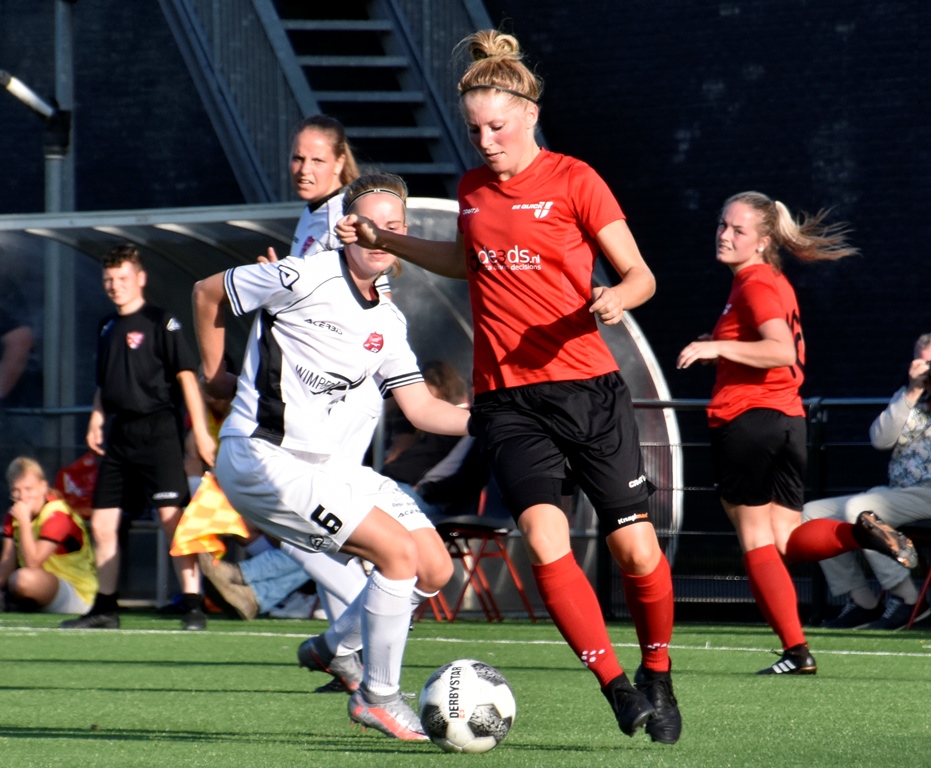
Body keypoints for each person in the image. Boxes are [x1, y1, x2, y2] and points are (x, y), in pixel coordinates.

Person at [337, 30, 680, 745]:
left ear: (526, 113)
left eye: (496, 125)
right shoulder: (469, 189)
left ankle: (656, 671)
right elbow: (468, 263)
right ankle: (614, 686)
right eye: (474, 129)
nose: (485, 141)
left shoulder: (575, 180)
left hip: (589, 391)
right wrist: (388, 240)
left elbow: (642, 274)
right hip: (507, 400)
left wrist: (618, 298)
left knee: (636, 553)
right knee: (541, 535)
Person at [193, 172, 470, 740]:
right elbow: (206, 291)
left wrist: (505, 416)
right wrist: (215, 373)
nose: (380, 235)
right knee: (396, 555)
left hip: (335, 471)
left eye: (393, 227)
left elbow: (422, 411)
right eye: (369, 224)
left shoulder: (390, 321)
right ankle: (377, 695)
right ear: (347, 228)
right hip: (265, 458)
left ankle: (334, 646)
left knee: (435, 567)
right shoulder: (304, 274)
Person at [677, 191, 916, 674]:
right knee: (786, 538)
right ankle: (859, 535)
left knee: (755, 541)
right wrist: (722, 345)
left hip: (747, 423)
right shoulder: (770, 281)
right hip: (787, 423)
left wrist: (714, 347)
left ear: (763, 241)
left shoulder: (754, 283)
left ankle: (796, 651)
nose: (724, 235)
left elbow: (780, 351)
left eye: (737, 230)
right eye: (722, 225)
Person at [61, 245, 216, 632]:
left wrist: (200, 434)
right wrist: (97, 417)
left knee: (172, 519)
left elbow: (186, 378)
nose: (115, 286)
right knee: (102, 524)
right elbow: (105, 383)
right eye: (109, 280)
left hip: (158, 430)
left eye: (123, 278)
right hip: (119, 435)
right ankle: (105, 607)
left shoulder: (162, 322)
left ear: (140, 278)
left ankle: (194, 604)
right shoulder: (106, 326)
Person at [803, 334, 931, 629]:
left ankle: (909, 598)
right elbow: (880, 440)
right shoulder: (908, 396)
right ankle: (863, 601)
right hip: (901, 494)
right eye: (921, 361)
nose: (925, 368)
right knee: (812, 515)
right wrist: (912, 392)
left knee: (862, 510)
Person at [381, 359, 487, 521]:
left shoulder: (483, 432)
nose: (472, 390)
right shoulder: (461, 423)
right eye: (470, 383)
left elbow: (469, 480)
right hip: (406, 487)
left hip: (430, 500)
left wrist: (425, 490)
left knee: (370, 507)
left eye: (478, 384)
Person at [1, 457, 98, 614]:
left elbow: (33, 563)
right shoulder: (13, 516)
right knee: (16, 579)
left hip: (76, 593)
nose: (23, 497)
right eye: (16, 490)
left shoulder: (58, 514)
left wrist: (25, 523)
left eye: (28, 489)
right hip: (46, 586)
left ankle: (18, 602)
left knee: (23, 580)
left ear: (43, 487)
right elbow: (6, 562)